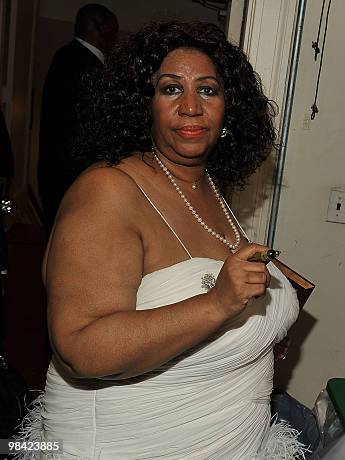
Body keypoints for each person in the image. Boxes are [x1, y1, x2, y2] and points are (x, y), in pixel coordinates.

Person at [18, 22, 306, 459]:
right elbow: (81, 347)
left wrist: (257, 335)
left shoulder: (205, 187)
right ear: (143, 105)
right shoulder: (107, 191)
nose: (191, 106)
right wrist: (217, 304)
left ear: (229, 108)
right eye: (171, 89)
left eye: (207, 90)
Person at [38, 3, 118, 234]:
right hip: (73, 174)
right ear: (96, 26)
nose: (114, 36)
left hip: (59, 172)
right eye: (112, 28)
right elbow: (88, 126)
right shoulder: (83, 64)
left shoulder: (66, 57)